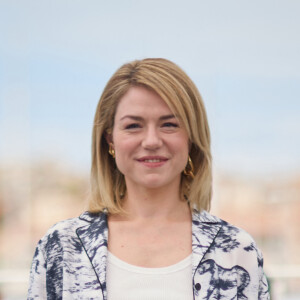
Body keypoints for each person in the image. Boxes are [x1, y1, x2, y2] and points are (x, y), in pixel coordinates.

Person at [28, 58, 270, 299]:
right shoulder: (62, 246)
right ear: (110, 140)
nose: (152, 141)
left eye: (169, 124)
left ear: (192, 137)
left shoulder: (237, 250)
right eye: (134, 125)